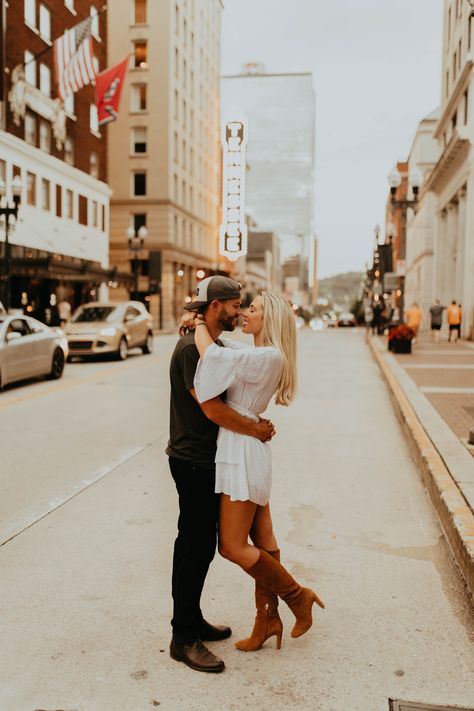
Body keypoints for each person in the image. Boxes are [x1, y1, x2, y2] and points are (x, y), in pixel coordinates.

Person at [192, 291, 325, 656]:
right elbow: (225, 350)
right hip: (247, 447)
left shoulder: (267, 356)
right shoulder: (256, 354)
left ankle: (298, 598)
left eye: (254, 309)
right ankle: (266, 620)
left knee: (232, 546)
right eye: (246, 306)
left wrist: (200, 323)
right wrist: (205, 329)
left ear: (272, 320)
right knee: (264, 541)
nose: (246, 312)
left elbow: (215, 355)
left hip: (242, 452)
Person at [166, 276, 276, 674]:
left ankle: (192, 621)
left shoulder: (211, 346)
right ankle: (183, 638)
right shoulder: (191, 353)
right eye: (233, 304)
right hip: (193, 460)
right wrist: (256, 429)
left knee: (202, 546)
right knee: (193, 547)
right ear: (214, 307)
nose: (239, 311)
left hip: (209, 459)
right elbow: (212, 409)